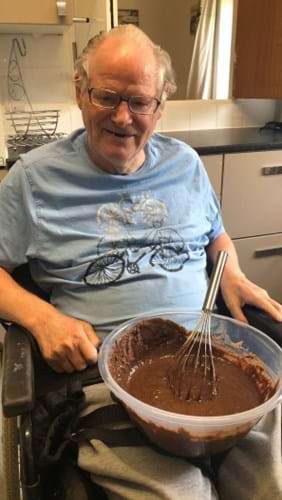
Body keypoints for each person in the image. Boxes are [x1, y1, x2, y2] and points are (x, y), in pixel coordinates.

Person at [0, 24, 281, 499]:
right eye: (107, 96)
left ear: (161, 103)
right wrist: (41, 317)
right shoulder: (33, 180)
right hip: (104, 383)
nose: (123, 117)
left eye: (140, 101)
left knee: (273, 484)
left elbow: (215, 235)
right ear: (80, 92)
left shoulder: (186, 164)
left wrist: (230, 270)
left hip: (211, 358)